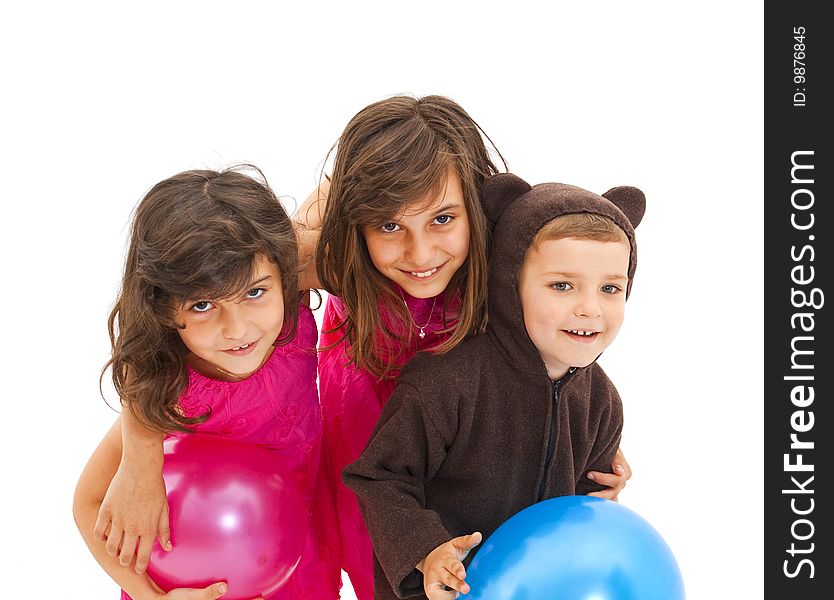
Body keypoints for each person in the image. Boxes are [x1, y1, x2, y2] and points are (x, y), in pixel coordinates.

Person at [96, 96, 631, 600]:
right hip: (365, 469)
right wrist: (139, 463)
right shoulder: (319, 260)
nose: (420, 253)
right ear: (356, 224)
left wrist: (580, 426)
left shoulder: (504, 256)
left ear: (476, 206)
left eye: (443, 219)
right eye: (389, 225)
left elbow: (569, 313)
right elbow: (158, 340)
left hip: (463, 480)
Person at [343, 173, 646, 600]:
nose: (590, 309)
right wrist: (426, 551)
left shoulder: (603, 403)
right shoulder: (445, 381)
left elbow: (583, 517)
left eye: (610, 288)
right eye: (562, 285)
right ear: (510, 282)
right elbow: (379, 476)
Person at [73, 167, 341, 600]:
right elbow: (88, 501)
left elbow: (345, 182)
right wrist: (152, 598)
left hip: (294, 550)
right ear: (162, 307)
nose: (237, 329)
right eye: (202, 305)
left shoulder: (288, 300)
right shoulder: (170, 389)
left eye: (254, 293)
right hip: (194, 583)